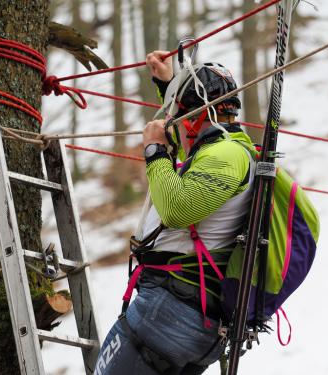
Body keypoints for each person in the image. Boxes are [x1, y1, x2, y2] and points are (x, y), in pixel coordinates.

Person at [95, 50, 257, 375]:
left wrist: (155, 150)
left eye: (181, 116)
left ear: (197, 116)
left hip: (172, 310)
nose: (174, 125)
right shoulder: (223, 149)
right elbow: (188, 160)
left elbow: (175, 208)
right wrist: (168, 83)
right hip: (187, 316)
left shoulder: (227, 153)